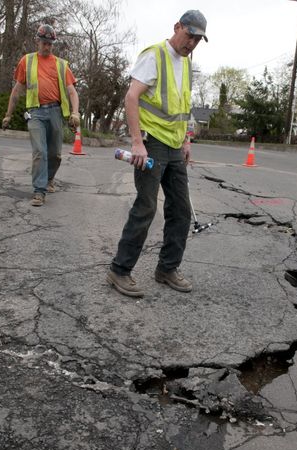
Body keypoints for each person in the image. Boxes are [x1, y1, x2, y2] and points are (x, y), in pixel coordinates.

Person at [107, 10, 208, 297]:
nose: (192, 43)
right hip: (151, 144)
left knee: (180, 210)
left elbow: (183, 106)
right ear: (177, 27)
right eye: (189, 35)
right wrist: (137, 142)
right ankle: (119, 270)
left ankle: (167, 268)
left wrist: (187, 140)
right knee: (146, 207)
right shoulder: (155, 55)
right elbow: (131, 97)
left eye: (198, 39)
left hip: (175, 147)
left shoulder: (187, 64)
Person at [2, 24, 80, 207]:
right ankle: (39, 191)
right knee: (39, 152)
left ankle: (49, 178)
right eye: (44, 43)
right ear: (37, 41)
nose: (47, 47)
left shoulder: (62, 65)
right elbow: (16, 90)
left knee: (55, 154)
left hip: (55, 112)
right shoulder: (26, 61)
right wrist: (8, 115)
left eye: (50, 44)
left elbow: (72, 92)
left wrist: (75, 113)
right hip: (35, 113)